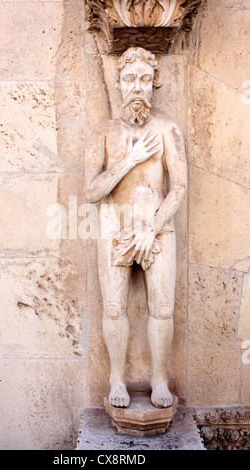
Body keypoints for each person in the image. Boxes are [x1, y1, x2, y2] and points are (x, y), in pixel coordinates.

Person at [85, 47, 187, 408]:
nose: (137, 88)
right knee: (114, 309)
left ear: (154, 84)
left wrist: (154, 227)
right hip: (114, 227)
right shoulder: (104, 133)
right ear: (118, 85)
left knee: (162, 308)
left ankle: (159, 378)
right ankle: (117, 378)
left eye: (145, 79)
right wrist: (129, 159)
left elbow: (179, 187)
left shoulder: (165, 130)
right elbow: (93, 190)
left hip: (158, 229)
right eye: (129, 79)